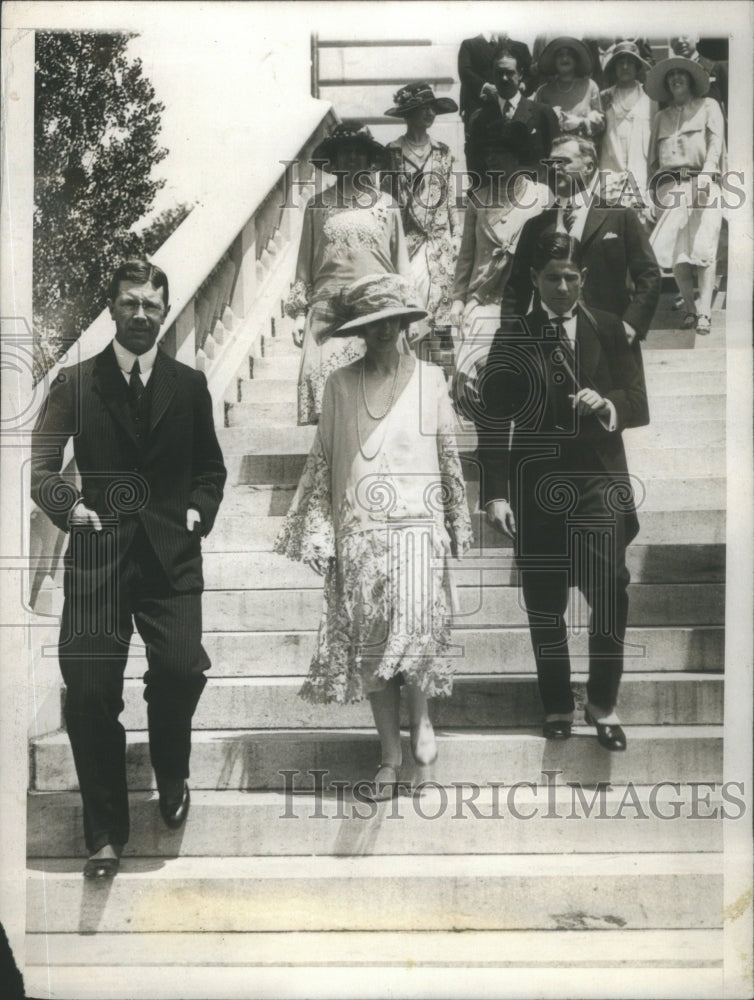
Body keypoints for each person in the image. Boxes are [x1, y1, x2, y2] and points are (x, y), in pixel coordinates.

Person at [31, 260, 227, 877]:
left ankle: (172, 769)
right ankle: (105, 834)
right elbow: (39, 470)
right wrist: (73, 506)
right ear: (112, 309)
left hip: (171, 559)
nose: (141, 314)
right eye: (130, 303)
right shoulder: (77, 383)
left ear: (164, 312)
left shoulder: (188, 385)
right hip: (97, 560)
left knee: (178, 670)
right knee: (89, 696)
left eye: (151, 305)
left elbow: (210, 471)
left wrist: (198, 510)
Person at [275, 273, 472, 798]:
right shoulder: (339, 385)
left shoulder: (431, 379)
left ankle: (423, 718)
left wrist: (456, 519)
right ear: (361, 330)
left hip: (418, 526)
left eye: (393, 321)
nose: (384, 331)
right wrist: (319, 531)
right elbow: (322, 459)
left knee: (418, 630)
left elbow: (448, 454)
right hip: (360, 528)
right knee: (372, 646)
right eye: (373, 324)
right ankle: (388, 756)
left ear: (406, 323)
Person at [479, 233, 649, 750]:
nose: (561, 287)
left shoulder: (609, 329)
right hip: (536, 486)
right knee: (545, 602)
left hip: (599, 482)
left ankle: (602, 704)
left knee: (610, 594)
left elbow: (638, 403)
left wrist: (607, 402)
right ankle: (556, 703)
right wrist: (495, 493)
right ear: (534, 280)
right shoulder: (513, 336)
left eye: (571, 277)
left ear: (585, 279)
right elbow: (493, 420)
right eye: (551, 277)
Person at [285, 121, 411, 424]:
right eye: (345, 153)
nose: (352, 159)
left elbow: (400, 261)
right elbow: (304, 265)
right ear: (334, 160)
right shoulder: (317, 207)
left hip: (379, 311)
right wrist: (300, 315)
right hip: (329, 314)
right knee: (334, 409)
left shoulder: (387, 205)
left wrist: (407, 311)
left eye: (358, 152)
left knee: (380, 405)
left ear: (370, 160)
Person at [501, 135, 661, 352]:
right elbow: (517, 289)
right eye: (551, 162)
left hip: (610, 344)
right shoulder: (535, 226)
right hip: (551, 349)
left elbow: (649, 274)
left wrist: (631, 324)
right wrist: (512, 340)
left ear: (589, 167)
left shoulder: (620, 217)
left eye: (564, 161)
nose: (555, 167)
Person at [449, 148, 552, 409]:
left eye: (500, 153)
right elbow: (466, 256)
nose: (491, 159)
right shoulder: (478, 199)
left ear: (517, 157)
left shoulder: (541, 195)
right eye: (489, 154)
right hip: (483, 299)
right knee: (472, 373)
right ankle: (486, 436)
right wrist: (458, 299)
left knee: (520, 377)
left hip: (524, 302)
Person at [645, 57, 726, 337]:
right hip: (671, 188)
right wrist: (650, 193)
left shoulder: (708, 107)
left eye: (682, 73)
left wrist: (708, 173)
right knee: (679, 254)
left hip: (703, 182)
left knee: (704, 250)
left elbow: (716, 143)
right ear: (666, 83)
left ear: (691, 79)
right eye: (671, 75)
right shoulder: (661, 117)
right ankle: (690, 309)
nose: (676, 78)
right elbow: (652, 161)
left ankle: (705, 312)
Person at [382, 82, 460, 340]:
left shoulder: (443, 152)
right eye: (422, 108)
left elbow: (448, 197)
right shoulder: (392, 153)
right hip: (407, 243)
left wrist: (456, 232)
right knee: (409, 308)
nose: (429, 114)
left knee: (441, 312)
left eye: (432, 108)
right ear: (408, 114)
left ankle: (440, 375)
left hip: (439, 243)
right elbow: (387, 200)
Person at [467, 44, 558, 185]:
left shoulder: (543, 114)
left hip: (535, 199)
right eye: (498, 73)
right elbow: (475, 168)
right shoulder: (480, 118)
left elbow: (554, 163)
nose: (504, 78)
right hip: (495, 199)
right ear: (492, 74)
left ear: (520, 74)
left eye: (509, 73)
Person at [458, 32, 532, 176]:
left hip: (513, 109)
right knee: (480, 157)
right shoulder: (470, 44)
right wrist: (485, 86)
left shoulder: (520, 47)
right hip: (481, 109)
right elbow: (465, 71)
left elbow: (531, 73)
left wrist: (523, 85)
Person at [599, 41, 655, 211]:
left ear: (637, 67)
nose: (625, 67)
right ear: (614, 68)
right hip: (611, 165)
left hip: (641, 167)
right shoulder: (604, 97)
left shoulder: (651, 98)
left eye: (630, 62)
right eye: (620, 63)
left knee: (640, 218)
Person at [534, 37, 605, 142]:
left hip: (583, 151)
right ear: (554, 61)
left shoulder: (590, 86)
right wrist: (550, 119)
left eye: (569, 55)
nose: (565, 59)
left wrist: (581, 123)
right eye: (560, 55)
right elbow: (536, 127)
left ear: (576, 60)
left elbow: (601, 124)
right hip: (554, 152)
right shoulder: (543, 91)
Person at [669, 35, 727, 115]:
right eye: (675, 38)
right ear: (670, 44)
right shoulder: (666, 75)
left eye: (685, 36)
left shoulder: (717, 68)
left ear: (697, 38)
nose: (680, 41)